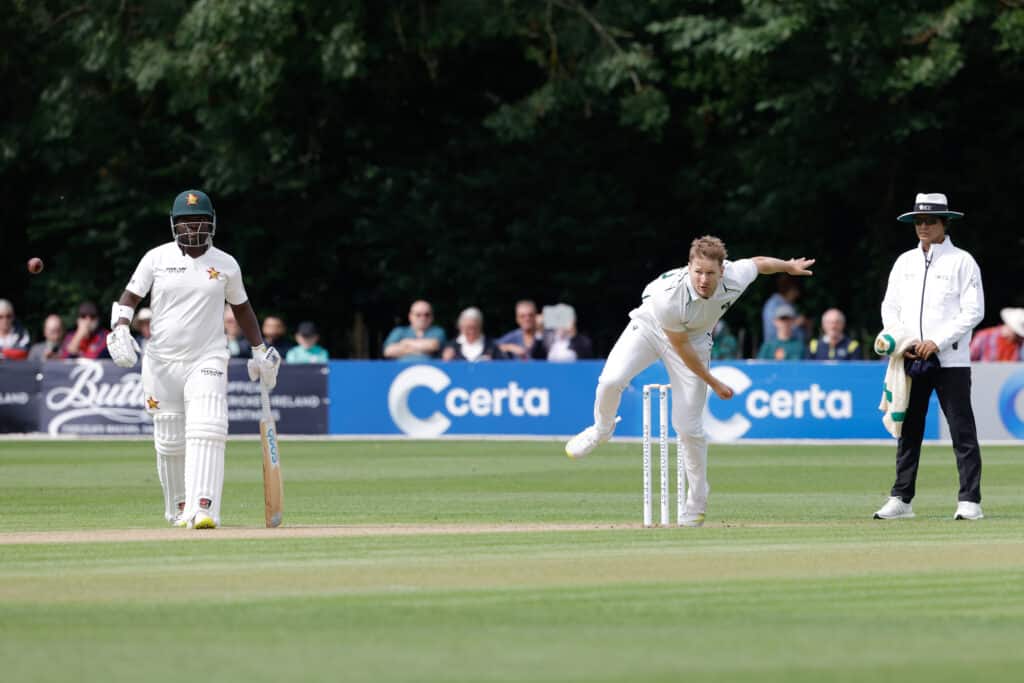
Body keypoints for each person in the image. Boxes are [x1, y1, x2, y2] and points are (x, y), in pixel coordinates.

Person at [564, 235, 814, 526]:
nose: (703, 280)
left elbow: (759, 264)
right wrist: (714, 382)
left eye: (710, 273)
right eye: (698, 272)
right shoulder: (669, 296)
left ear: (723, 270)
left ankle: (696, 501)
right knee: (611, 380)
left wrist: (788, 266)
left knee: (688, 427)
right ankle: (602, 429)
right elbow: (678, 348)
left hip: (694, 339)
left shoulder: (735, 275)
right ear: (689, 267)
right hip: (651, 327)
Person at [106, 189, 280, 530]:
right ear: (174, 225)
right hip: (161, 361)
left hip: (208, 356)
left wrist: (259, 349)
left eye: (200, 221)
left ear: (212, 223)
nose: (192, 229)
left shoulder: (226, 263)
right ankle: (179, 506)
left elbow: (242, 309)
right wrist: (120, 328)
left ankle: (205, 508)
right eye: (185, 223)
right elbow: (129, 296)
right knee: (170, 438)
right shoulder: (156, 258)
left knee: (208, 426)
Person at [872, 193, 984, 522]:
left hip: (950, 360)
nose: (923, 227)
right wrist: (900, 340)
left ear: (944, 223)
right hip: (910, 357)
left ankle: (970, 500)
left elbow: (973, 311)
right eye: (918, 221)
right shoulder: (904, 262)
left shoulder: (962, 261)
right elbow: (889, 307)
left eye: (930, 221)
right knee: (909, 430)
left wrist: (937, 340)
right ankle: (901, 498)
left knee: (962, 431)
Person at [382, 300, 447, 361]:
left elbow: (433, 346)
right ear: (410, 316)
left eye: (427, 315)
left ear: (432, 317)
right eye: (418, 315)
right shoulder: (399, 331)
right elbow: (388, 351)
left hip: (431, 370)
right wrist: (421, 350)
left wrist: (406, 343)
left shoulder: (438, 331)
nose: (423, 318)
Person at [761, 274, 809, 344]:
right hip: (776, 348)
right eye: (796, 290)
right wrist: (797, 323)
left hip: (794, 347)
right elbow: (773, 330)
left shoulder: (791, 305)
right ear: (791, 289)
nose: (798, 294)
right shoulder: (773, 305)